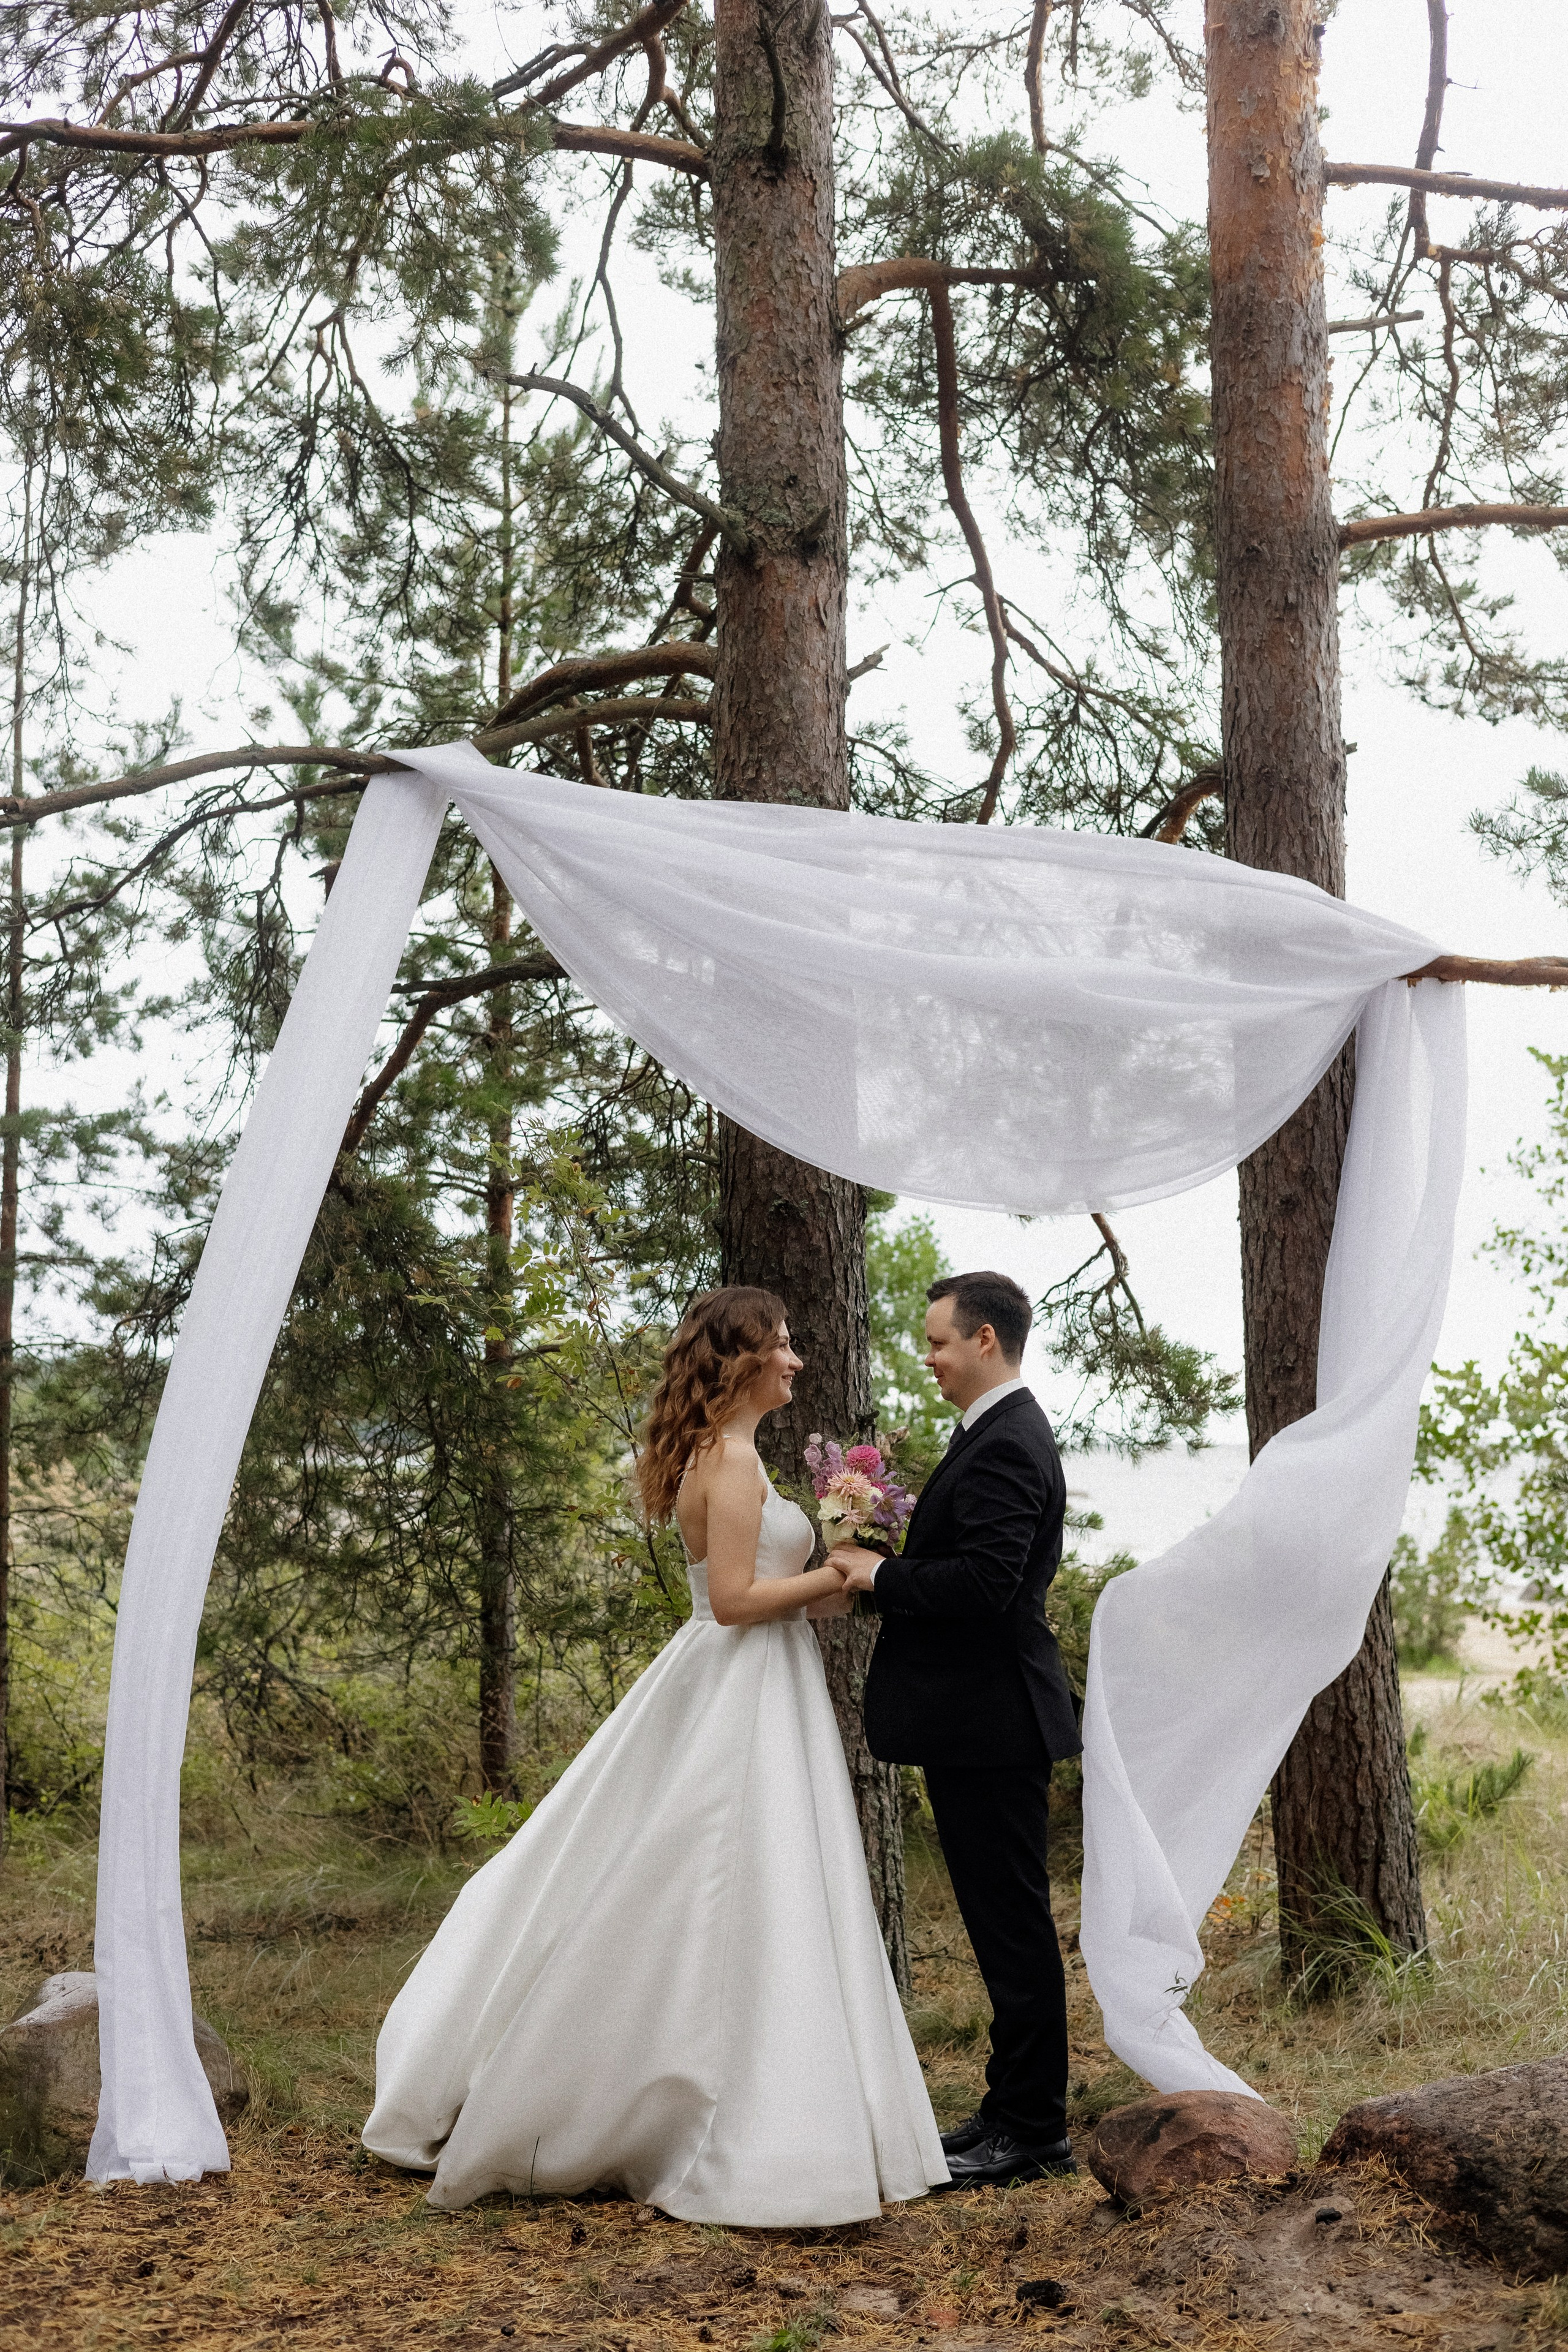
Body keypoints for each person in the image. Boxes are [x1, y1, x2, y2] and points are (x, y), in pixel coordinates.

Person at [362, 1285, 947, 2223]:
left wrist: (844, 1574)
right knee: (718, 1872)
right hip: (738, 1680)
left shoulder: (734, 1455)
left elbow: (767, 1593)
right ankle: (691, 2105)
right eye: (782, 1344)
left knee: (763, 1883)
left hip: (764, 1678)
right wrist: (833, 1574)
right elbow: (734, 1602)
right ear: (743, 1358)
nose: (797, 1359)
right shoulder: (729, 1459)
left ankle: (766, 2085)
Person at [835, 1269, 1080, 2189]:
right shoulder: (990, 1431)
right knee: (999, 1923)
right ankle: (1008, 2110)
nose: (929, 1358)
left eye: (939, 1342)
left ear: (985, 1340)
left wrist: (879, 1577)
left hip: (995, 1723)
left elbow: (986, 1584)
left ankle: (1034, 2131)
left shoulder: (1009, 1440)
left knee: (1012, 1929)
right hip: (979, 1722)